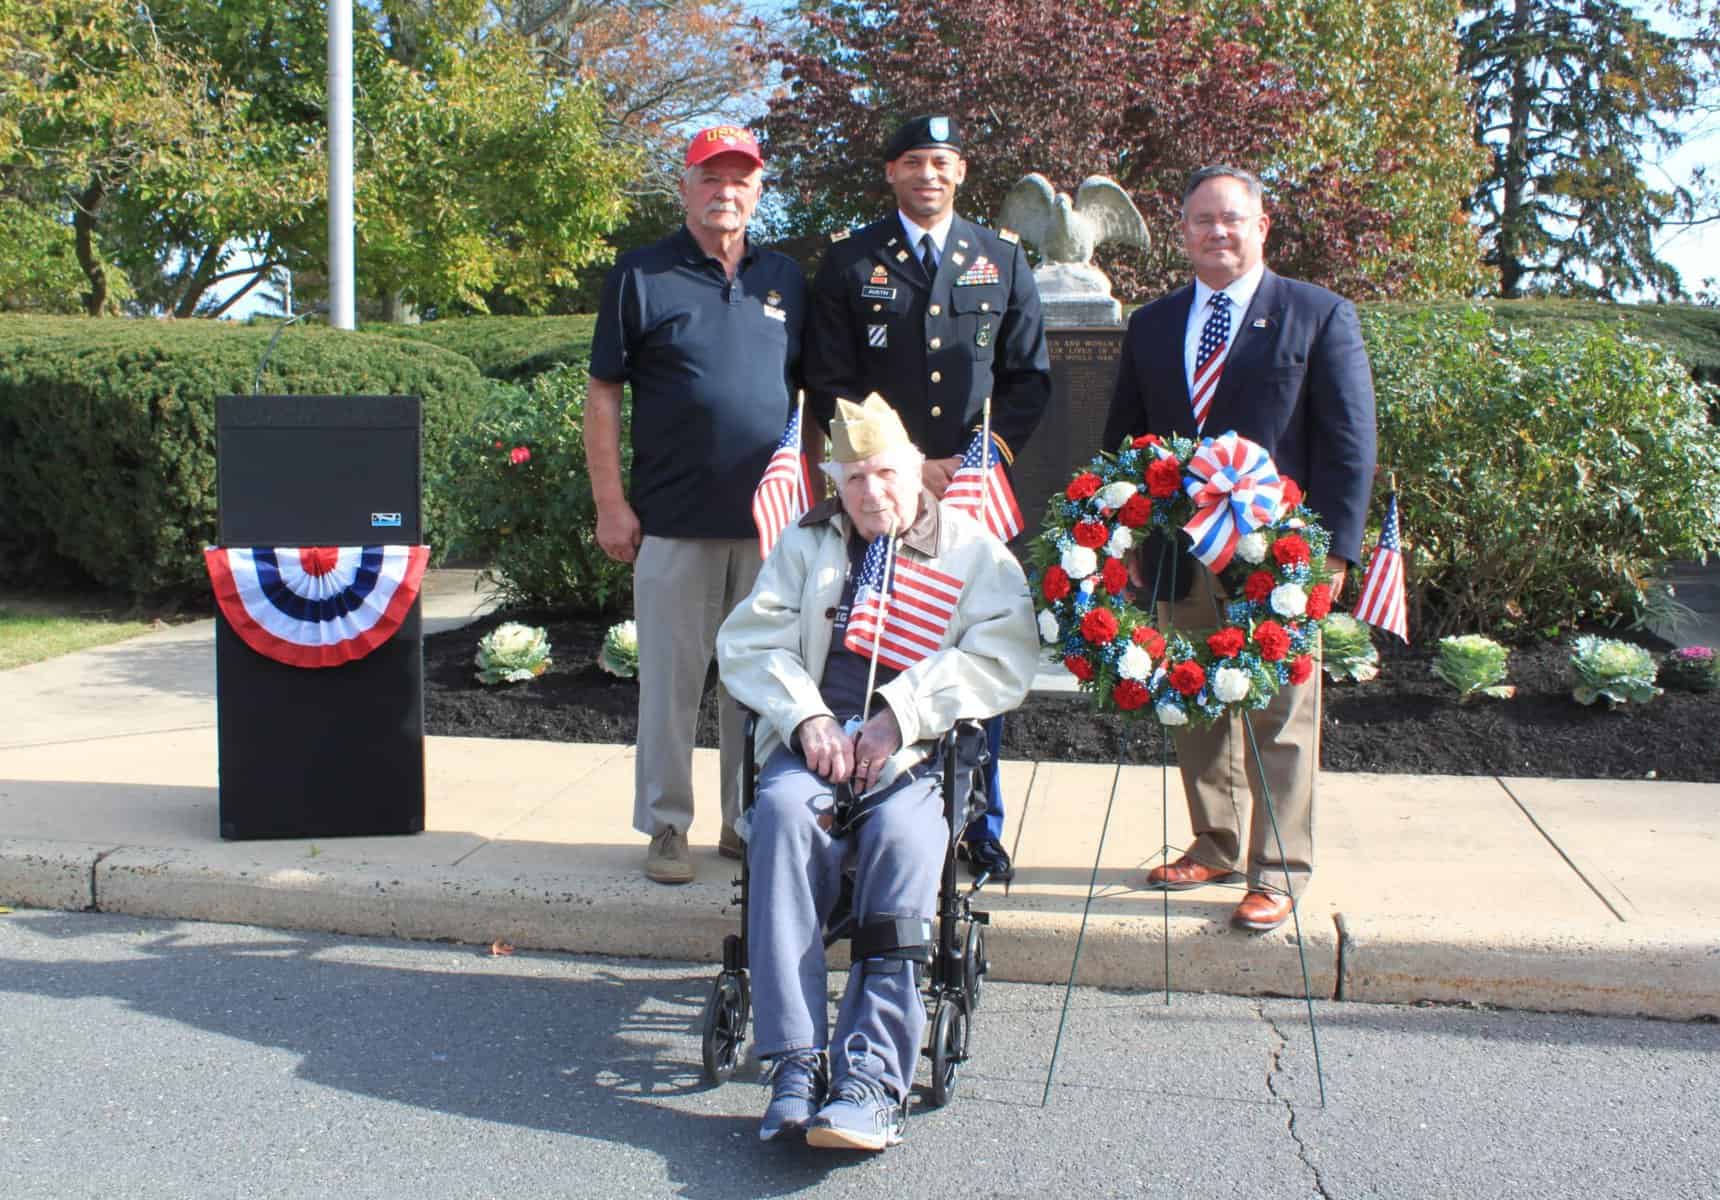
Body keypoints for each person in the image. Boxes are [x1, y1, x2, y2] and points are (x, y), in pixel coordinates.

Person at [716, 394, 1036, 1150]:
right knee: (786, 821)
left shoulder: (970, 549)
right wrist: (808, 717)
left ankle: (868, 1081)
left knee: (900, 839)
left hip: (917, 756)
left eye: (885, 474)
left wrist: (902, 714)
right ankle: (795, 1063)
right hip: (815, 746)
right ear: (836, 482)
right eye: (853, 478)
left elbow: (1003, 654)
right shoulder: (806, 543)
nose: (870, 493)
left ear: (914, 470)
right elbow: (750, 644)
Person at [1100, 165, 1377, 932]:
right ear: (1181, 231)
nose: (1216, 232)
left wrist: (1335, 555)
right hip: (1180, 550)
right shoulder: (1152, 324)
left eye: (1231, 219)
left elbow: (1349, 445)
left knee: (1281, 712)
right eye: (1200, 220)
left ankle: (1278, 867)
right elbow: (1124, 437)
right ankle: (1216, 843)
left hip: (1278, 560)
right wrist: (1121, 532)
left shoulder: (1318, 315)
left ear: (1262, 226)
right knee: (1193, 696)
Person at [802, 114, 1051, 882]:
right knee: (877, 644)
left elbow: (1027, 377)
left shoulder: (1002, 259)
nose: (928, 175)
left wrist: (972, 459)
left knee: (977, 650)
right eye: (913, 162)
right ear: (891, 175)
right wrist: (903, 466)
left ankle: (977, 822)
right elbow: (831, 380)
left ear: (962, 172)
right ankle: (863, 801)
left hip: (970, 493)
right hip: (882, 495)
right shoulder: (850, 262)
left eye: (941, 162)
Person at [585, 124, 808, 885]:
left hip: (769, 528)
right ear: (684, 188)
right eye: (711, 177)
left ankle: (745, 821)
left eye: (741, 178)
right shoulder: (642, 274)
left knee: (758, 683)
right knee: (671, 687)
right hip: (672, 522)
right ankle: (666, 826)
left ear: (758, 190)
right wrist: (610, 502)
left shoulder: (785, 279)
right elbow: (604, 396)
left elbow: (811, 400)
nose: (727, 191)